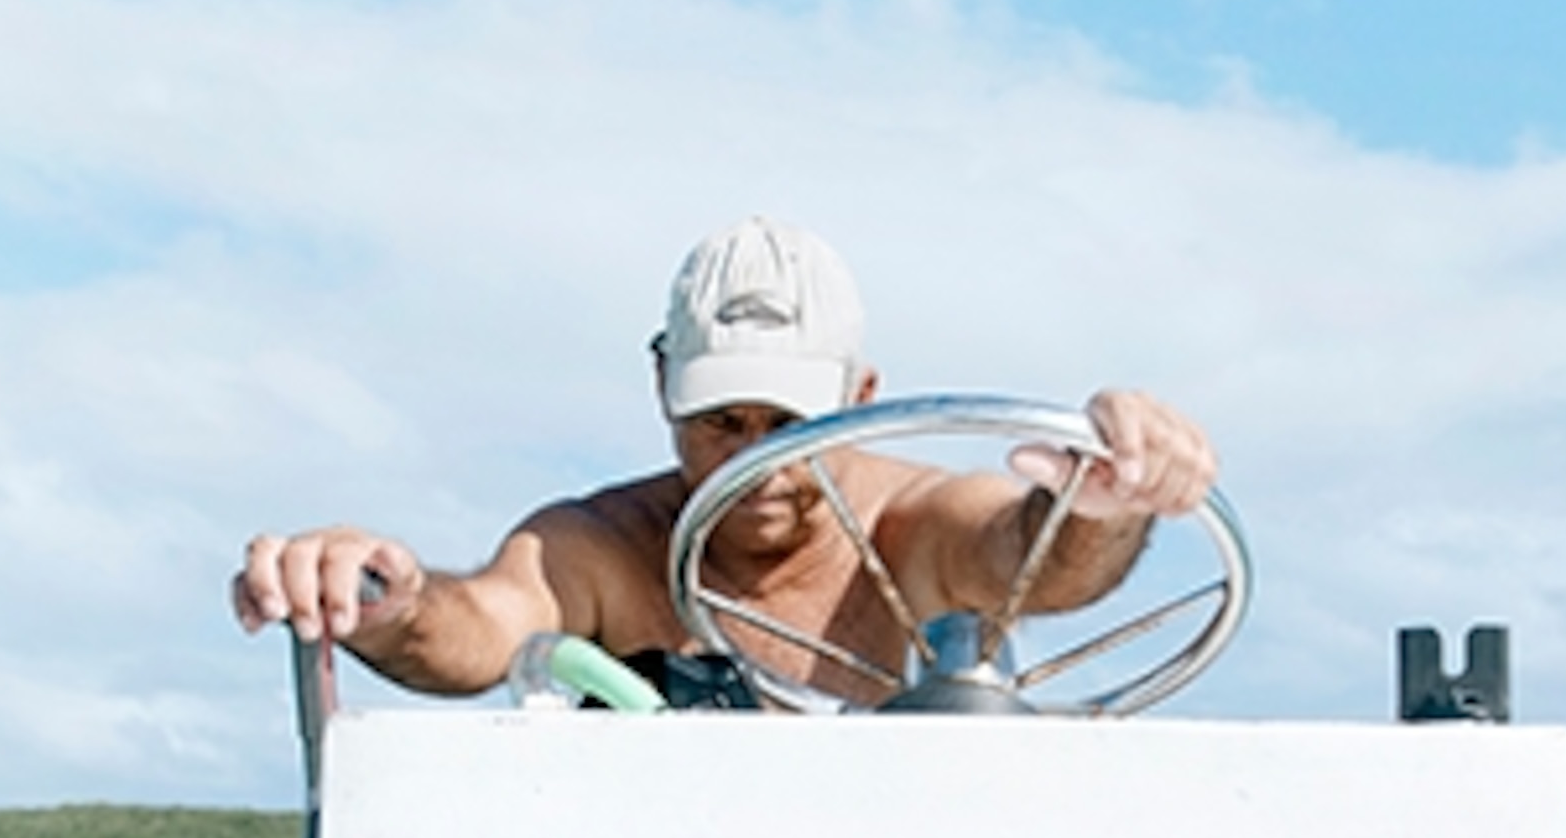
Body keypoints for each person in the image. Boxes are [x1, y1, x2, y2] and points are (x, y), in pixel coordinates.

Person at [232, 215, 1219, 707]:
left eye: (789, 424)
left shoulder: (918, 526)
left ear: (861, 400)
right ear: (664, 388)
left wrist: (1105, 505)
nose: (757, 462)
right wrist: (390, 601)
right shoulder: (602, 545)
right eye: (721, 422)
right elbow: (485, 626)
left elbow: (1029, 558)